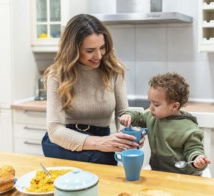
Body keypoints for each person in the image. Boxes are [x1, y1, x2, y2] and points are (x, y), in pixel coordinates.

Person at [42, 14, 141, 166]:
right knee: (102, 159)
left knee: (104, 159)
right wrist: (99, 143)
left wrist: (127, 137)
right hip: (63, 140)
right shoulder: (57, 75)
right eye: (90, 50)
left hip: (101, 139)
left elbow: (123, 113)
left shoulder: (114, 70)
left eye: (102, 47)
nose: (99, 55)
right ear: (73, 50)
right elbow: (54, 130)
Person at [119, 72, 211, 175]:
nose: (151, 108)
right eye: (150, 102)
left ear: (175, 107)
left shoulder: (189, 129)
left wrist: (197, 159)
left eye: (156, 104)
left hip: (183, 176)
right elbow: (139, 117)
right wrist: (129, 115)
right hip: (159, 173)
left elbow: (194, 149)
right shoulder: (152, 117)